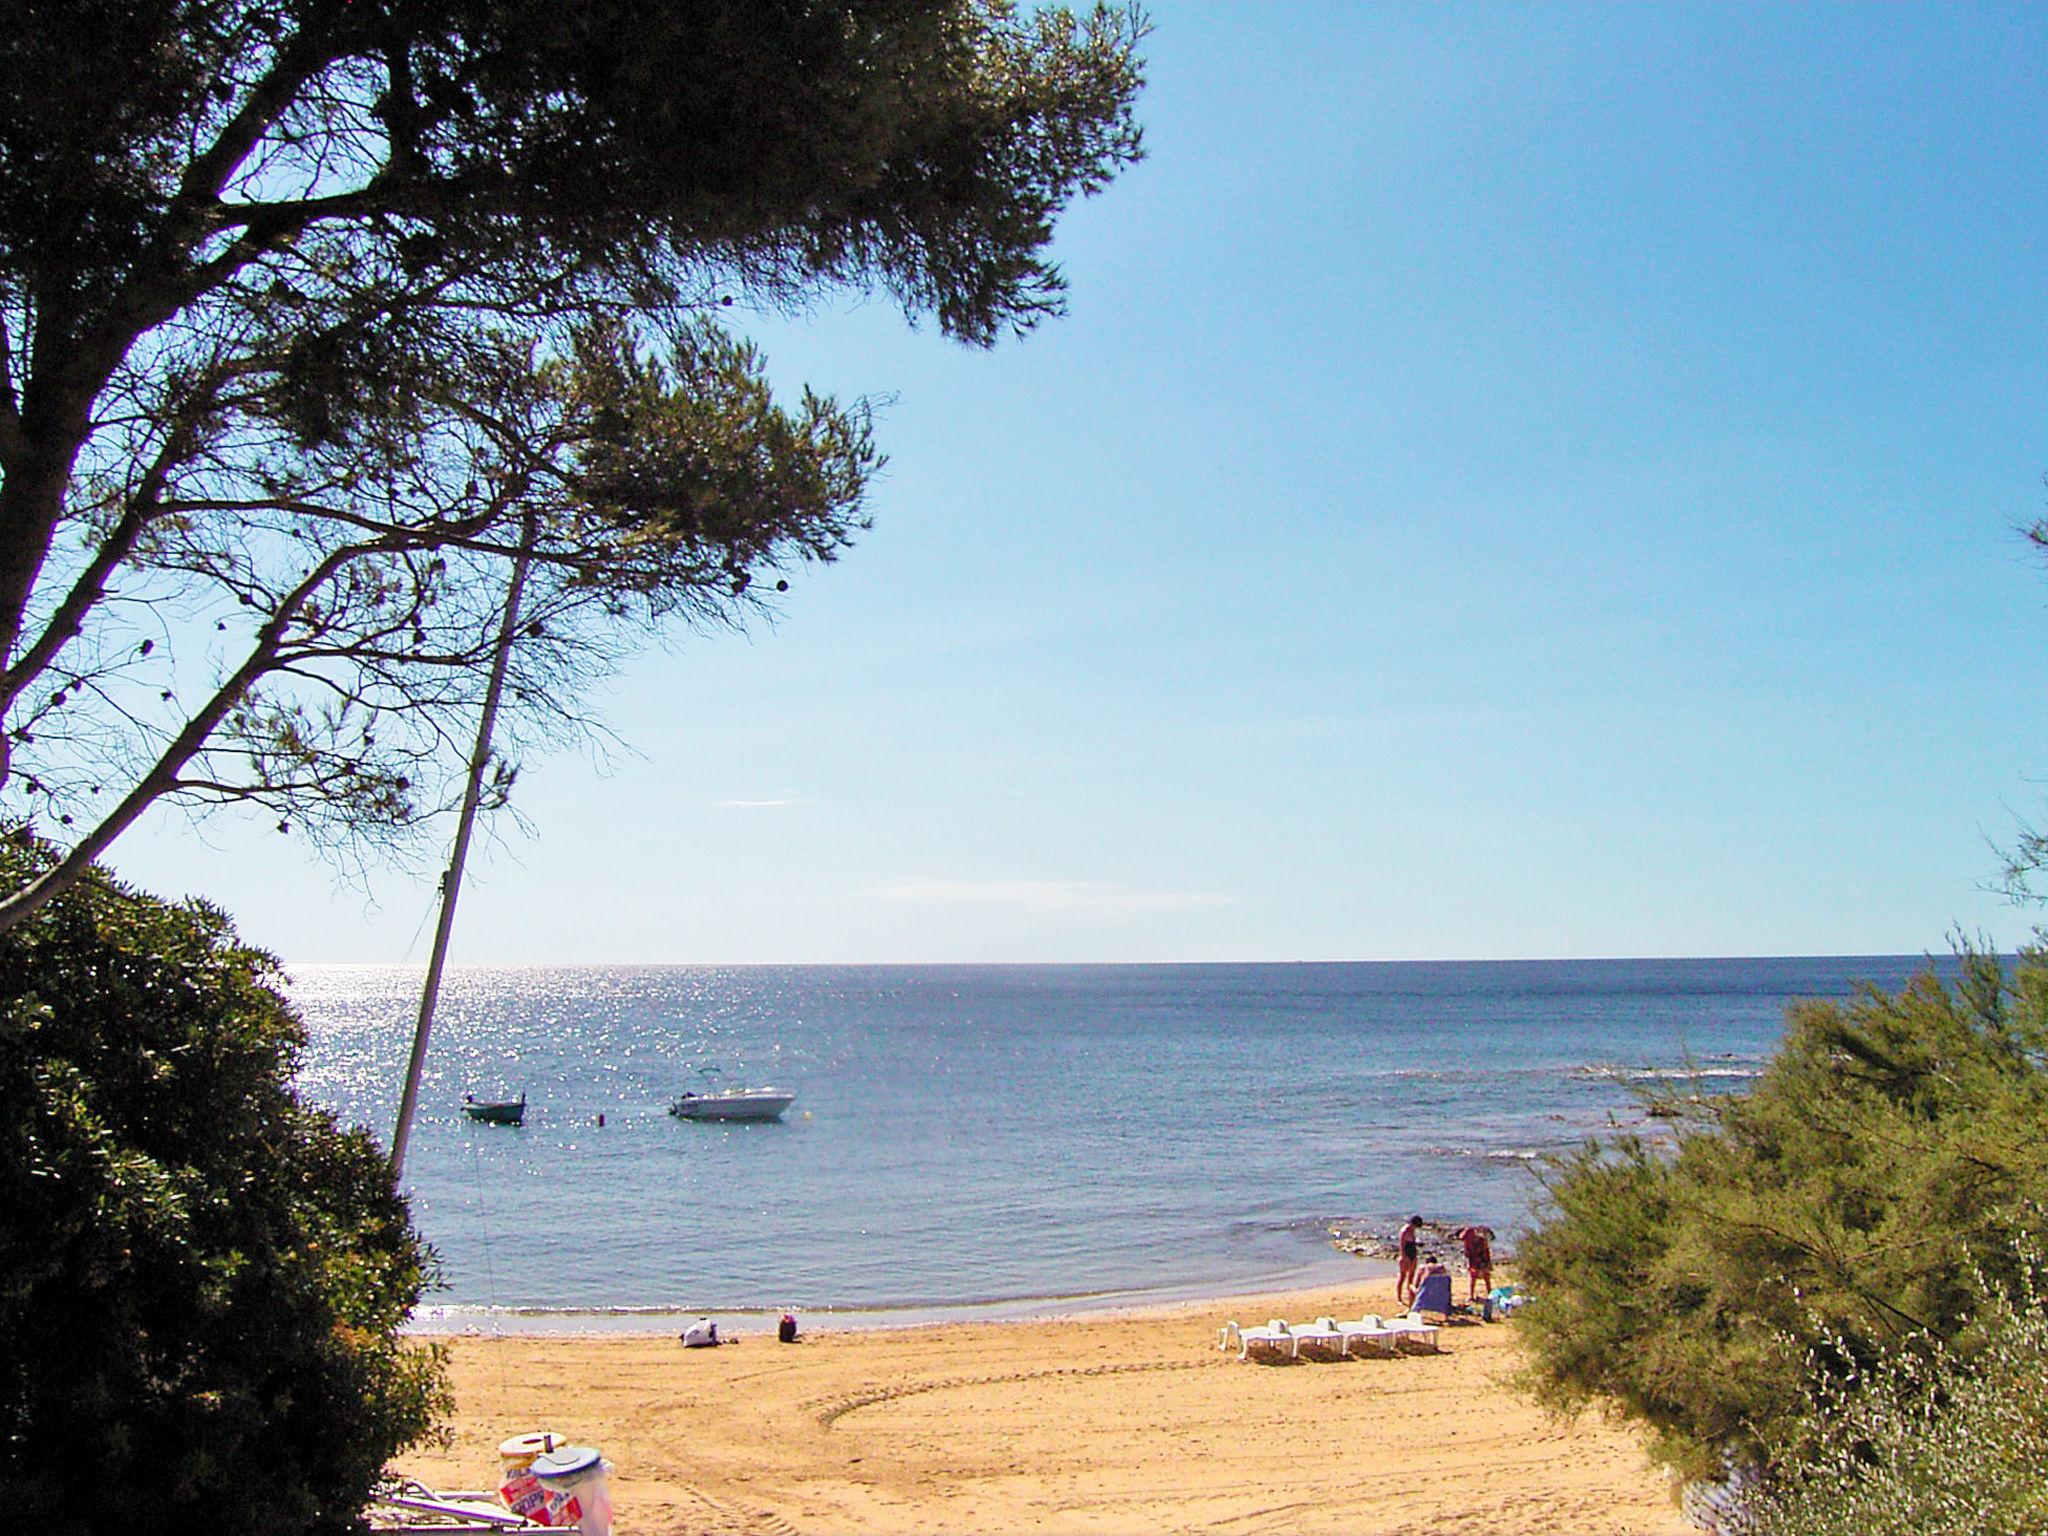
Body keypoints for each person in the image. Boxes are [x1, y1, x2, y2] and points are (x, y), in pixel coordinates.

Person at [1456, 1224, 1494, 1304]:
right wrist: (1470, 1265)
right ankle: (1471, 1296)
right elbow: (1468, 1255)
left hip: (1483, 1260)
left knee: (1486, 1277)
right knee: (1473, 1277)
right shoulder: (1467, 1243)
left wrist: (1485, 1265)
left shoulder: (1481, 1241)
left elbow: (1486, 1253)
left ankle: (1490, 1294)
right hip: (1473, 1261)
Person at [1395, 1215, 1425, 1307]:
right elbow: (1401, 1245)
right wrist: (1404, 1257)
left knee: (1411, 1277)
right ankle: (1399, 1298)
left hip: (1412, 1253)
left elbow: (1412, 1243)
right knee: (1402, 1276)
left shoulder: (1412, 1230)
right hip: (1406, 1255)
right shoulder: (1405, 1230)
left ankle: (1410, 1297)